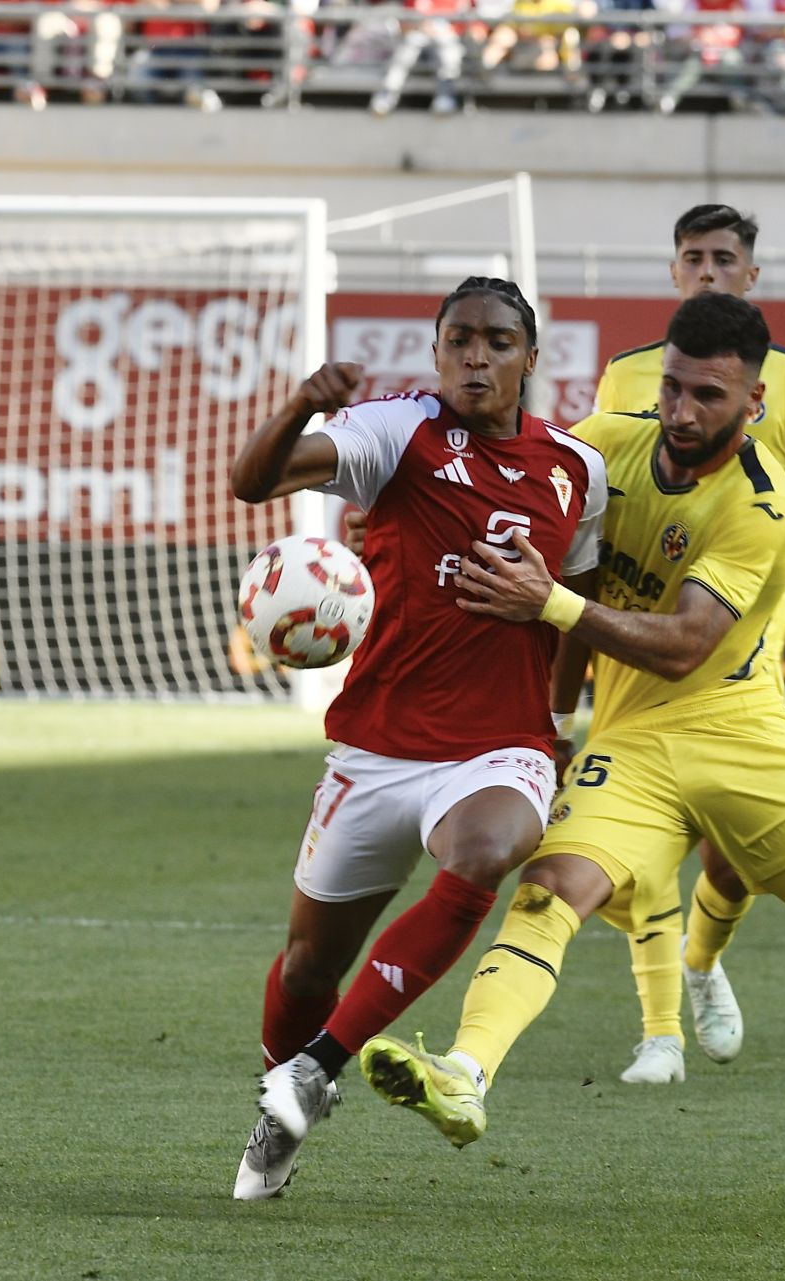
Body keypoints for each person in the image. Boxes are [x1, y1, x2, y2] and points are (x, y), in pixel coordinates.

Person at [354, 292, 785, 1227]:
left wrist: (551, 609)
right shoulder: (603, 445)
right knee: (549, 891)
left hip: (743, 736)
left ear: (754, 402)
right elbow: (513, 511)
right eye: (671, 385)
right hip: (632, 742)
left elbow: (680, 642)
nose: (680, 410)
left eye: (707, 394)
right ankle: (463, 1075)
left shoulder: (762, 501)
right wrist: (390, 529)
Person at [227, 277, 609, 1201]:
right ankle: (280, 1101)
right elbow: (252, 482)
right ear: (437, 353)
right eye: (461, 340)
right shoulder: (397, 430)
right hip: (376, 744)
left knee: (486, 850)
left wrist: (554, 728)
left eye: (499, 341)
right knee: (312, 960)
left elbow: (575, 615)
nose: (479, 356)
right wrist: (302, 406)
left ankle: (319, 1067)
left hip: (497, 745)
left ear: (531, 355)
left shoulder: (577, 471)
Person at [592, 203, 785, 1087]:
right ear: (673, 274)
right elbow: (593, 495)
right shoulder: (626, 375)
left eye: (724, 258)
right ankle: (659, 1031)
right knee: (642, 830)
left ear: (751, 273)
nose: (708, 271)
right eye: (693, 258)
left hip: (737, 632)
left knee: (732, 851)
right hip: (632, 624)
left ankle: (702, 957)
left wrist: (749, 483)